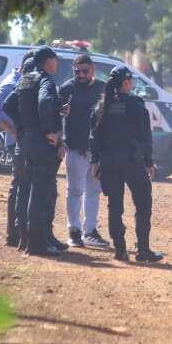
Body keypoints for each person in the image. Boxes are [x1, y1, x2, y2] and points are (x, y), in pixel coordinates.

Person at [90, 66, 163, 262]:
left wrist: (95, 161)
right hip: (131, 161)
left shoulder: (102, 106)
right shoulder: (135, 104)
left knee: (114, 206)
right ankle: (143, 251)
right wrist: (149, 162)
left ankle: (120, 250)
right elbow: (146, 137)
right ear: (126, 82)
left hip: (108, 162)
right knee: (143, 203)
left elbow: (94, 137)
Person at [4, 46, 65, 257]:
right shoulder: (45, 79)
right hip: (40, 142)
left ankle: (24, 238)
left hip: (26, 141)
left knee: (24, 190)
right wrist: (50, 132)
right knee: (39, 193)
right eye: (55, 60)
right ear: (48, 61)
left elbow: (8, 105)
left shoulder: (25, 78)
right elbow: (45, 102)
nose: (56, 64)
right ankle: (37, 244)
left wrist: (22, 129)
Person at [58, 55, 109, 248]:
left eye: (85, 71)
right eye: (77, 71)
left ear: (92, 70)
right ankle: (74, 231)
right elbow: (56, 115)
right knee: (74, 191)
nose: (80, 75)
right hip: (75, 148)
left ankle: (90, 231)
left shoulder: (102, 88)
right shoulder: (66, 89)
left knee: (94, 191)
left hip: (96, 151)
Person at [0, 49, 35, 247]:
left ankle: (18, 232)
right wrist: (13, 129)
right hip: (16, 142)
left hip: (21, 141)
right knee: (18, 187)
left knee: (21, 186)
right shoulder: (13, 83)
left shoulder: (17, 79)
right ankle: (13, 234)